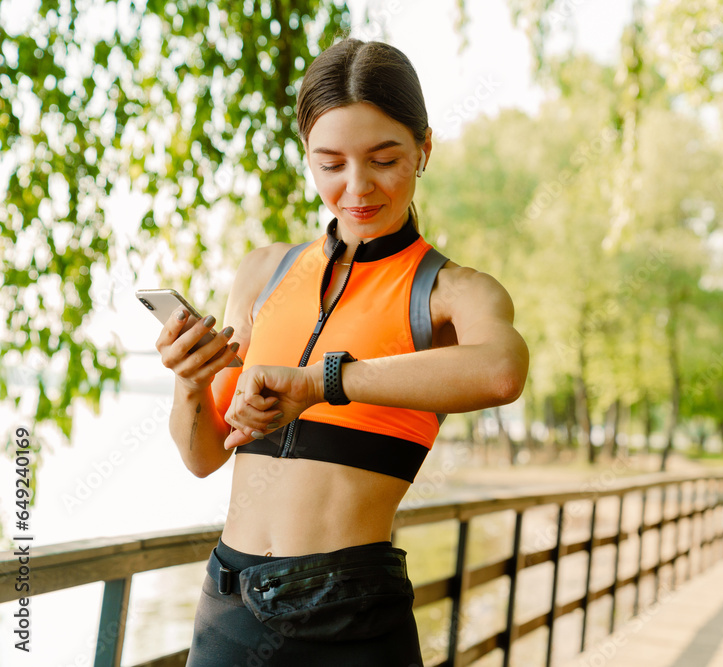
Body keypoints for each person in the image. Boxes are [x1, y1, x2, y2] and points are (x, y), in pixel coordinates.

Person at [155, 38, 529, 666]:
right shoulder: (264, 271)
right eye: (330, 164)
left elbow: (500, 370)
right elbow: (201, 457)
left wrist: (321, 383)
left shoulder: (451, 292)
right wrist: (189, 382)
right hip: (228, 604)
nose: (357, 188)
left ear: (424, 149)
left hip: (352, 614)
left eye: (384, 159)